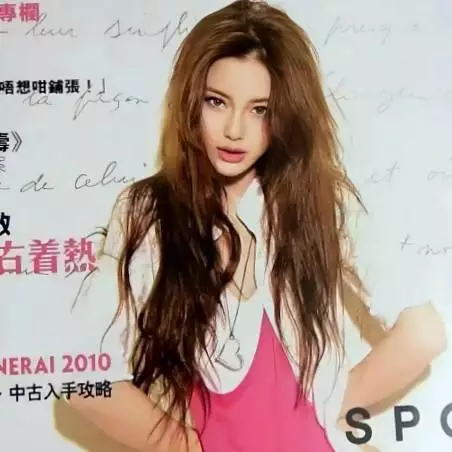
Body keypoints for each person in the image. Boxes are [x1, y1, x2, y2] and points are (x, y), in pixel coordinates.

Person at [66, 1, 447, 451]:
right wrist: (184, 445)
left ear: (286, 114)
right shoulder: (150, 211)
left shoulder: (320, 202)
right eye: (216, 101)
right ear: (190, 100)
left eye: (260, 109)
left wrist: (334, 401)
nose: (234, 130)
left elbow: (424, 334)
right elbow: (80, 375)